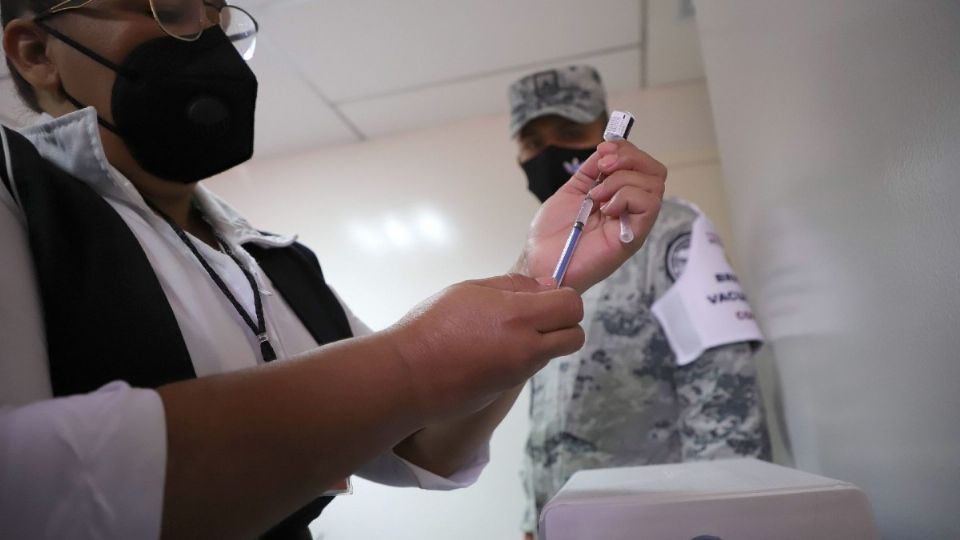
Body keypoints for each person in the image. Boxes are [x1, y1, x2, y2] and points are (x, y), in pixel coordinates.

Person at [0, 3, 668, 539]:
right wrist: (411, 362)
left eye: (217, 14)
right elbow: (26, 487)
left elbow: (420, 441)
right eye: (170, 7)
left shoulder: (275, 261)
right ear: (36, 52)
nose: (204, 34)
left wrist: (541, 274)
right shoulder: (19, 198)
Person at [508, 65, 771, 539]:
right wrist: (533, 520)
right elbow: (545, 412)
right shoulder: (539, 255)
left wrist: (722, 528)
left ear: (607, 132)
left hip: (655, 525)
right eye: (532, 141)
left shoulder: (671, 231)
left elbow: (726, 400)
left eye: (569, 132)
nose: (547, 152)